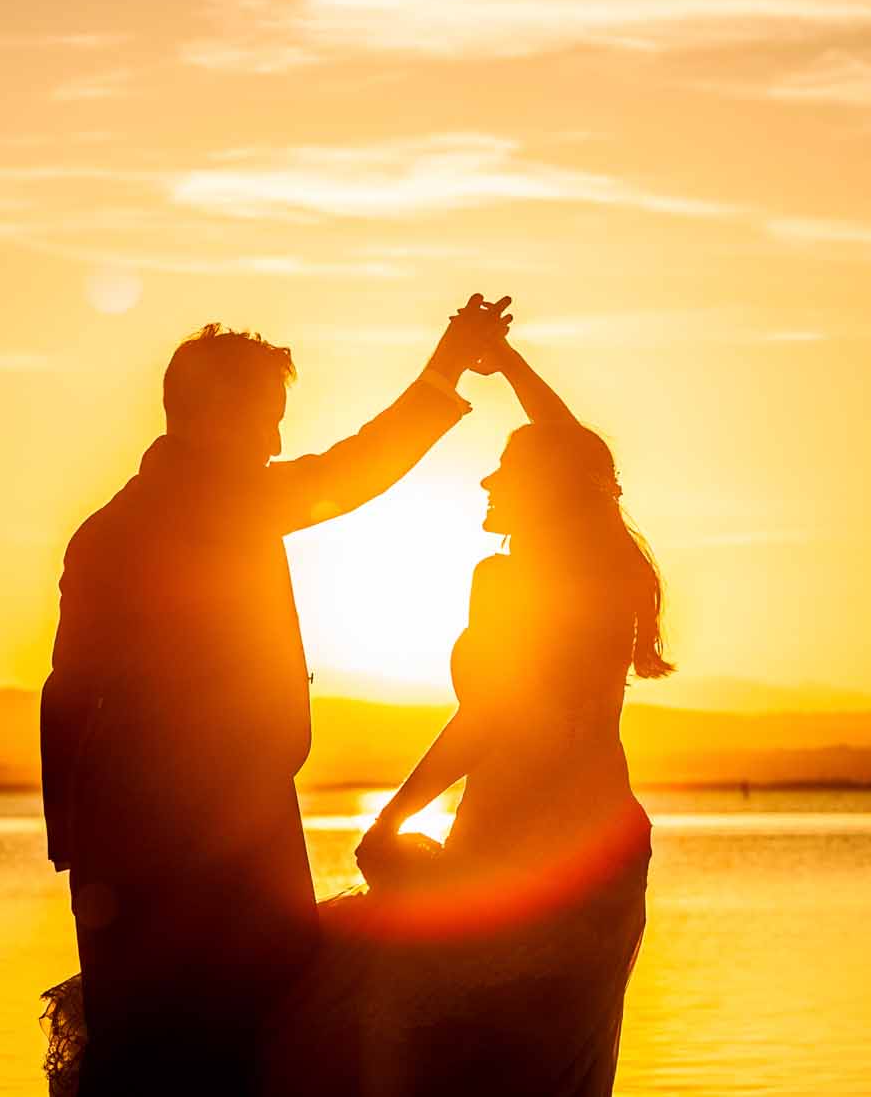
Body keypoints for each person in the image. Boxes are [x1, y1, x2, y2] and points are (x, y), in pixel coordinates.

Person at [39, 295, 511, 1097]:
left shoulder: (106, 529)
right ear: (208, 414)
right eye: (265, 417)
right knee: (240, 1051)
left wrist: (73, 847)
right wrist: (446, 364)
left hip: (129, 853)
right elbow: (357, 467)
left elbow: (64, 694)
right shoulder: (222, 506)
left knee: (148, 1064)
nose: (276, 439)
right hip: (216, 852)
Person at [263, 328, 671, 1097]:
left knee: (444, 1054)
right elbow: (575, 450)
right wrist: (508, 362)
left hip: (520, 846)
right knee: (541, 1065)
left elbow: (489, 719)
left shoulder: (514, 581)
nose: (486, 479)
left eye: (506, 468)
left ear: (545, 487)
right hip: (599, 848)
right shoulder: (608, 568)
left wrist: (393, 815)